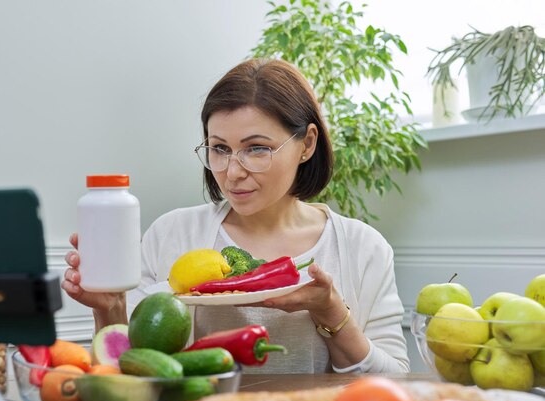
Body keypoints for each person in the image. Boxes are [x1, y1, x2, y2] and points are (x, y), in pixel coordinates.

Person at [62, 58, 410, 374]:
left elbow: (395, 382)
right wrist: (108, 308)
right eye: (220, 149)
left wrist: (332, 311)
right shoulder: (171, 234)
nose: (232, 172)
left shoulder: (362, 247)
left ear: (307, 144)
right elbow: (128, 372)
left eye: (256, 149)